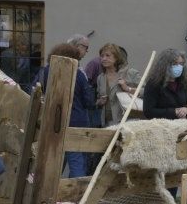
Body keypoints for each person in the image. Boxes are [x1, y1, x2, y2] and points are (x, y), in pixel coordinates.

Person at [31, 43, 96, 177]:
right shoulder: (78, 74)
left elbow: (34, 91)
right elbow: (88, 101)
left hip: (52, 120)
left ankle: (49, 191)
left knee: (53, 159)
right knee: (77, 159)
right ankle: (75, 194)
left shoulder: (45, 71)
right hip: (76, 121)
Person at [96, 43, 140, 128]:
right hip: (108, 122)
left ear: (116, 57)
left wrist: (128, 88)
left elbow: (145, 91)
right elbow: (98, 97)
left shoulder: (130, 73)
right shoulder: (100, 78)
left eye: (108, 55)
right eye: (102, 56)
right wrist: (100, 102)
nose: (104, 58)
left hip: (128, 121)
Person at [143, 49, 187, 119]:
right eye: (174, 64)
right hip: (162, 126)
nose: (178, 67)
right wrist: (174, 112)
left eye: (181, 64)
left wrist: (186, 109)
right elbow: (149, 111)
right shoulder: (153, 84)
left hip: (183, 124)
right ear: (164, 66)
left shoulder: (184, 83)